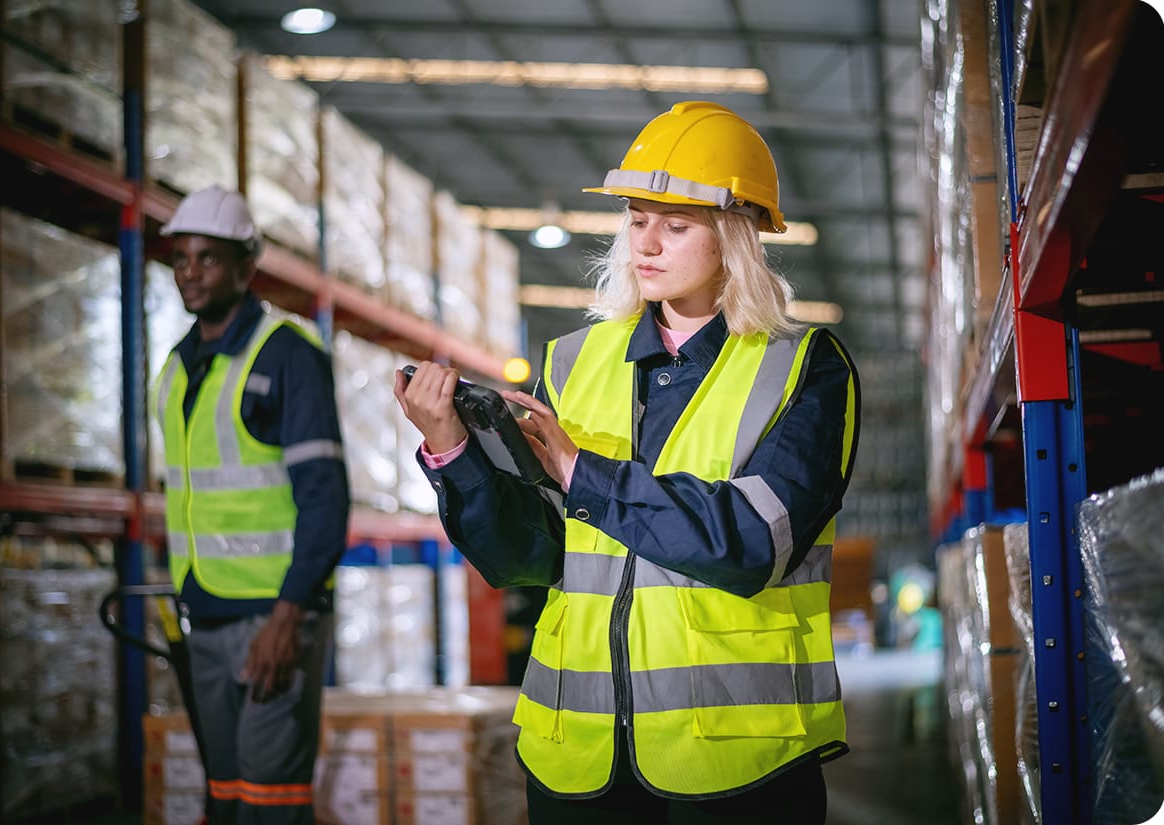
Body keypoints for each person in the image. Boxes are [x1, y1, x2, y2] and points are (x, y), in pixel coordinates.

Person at [395, 100, 861, 824]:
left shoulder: (801, 369)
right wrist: (454, 450)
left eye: (675, 226)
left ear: (735, 234)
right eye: (638, 221)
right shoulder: (574, 361)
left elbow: (751, 542)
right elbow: (530, 557)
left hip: (735, 757)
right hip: (578, 757)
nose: (647, 244)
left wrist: (587, 474)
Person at [154, 185, 349, 825]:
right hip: (204, 613)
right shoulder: (178, 368)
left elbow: (325, 499)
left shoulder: (288, 357)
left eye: (208, 258)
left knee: (270, 805)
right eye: (181, 258)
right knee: (226, 796)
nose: (191, 272)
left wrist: (288, 616)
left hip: (272, 622)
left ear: (246, 266)